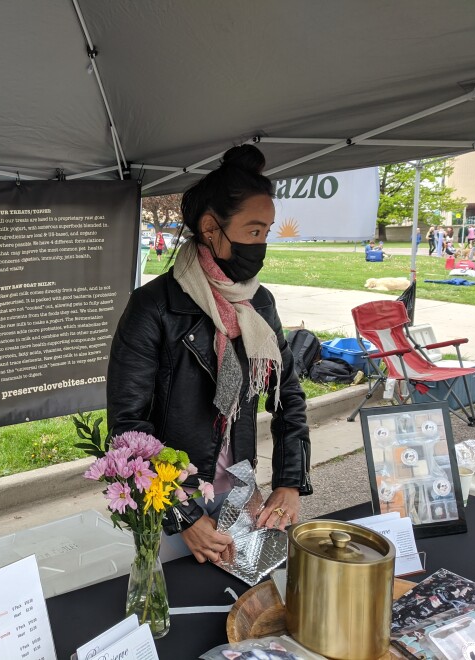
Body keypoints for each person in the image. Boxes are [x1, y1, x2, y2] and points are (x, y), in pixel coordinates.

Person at [106, 145, 312, 565]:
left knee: (248, 605)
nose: (262, 246)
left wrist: (290, 482)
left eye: (267, 232)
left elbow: (287, 395)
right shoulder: (154, 307)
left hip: (241, 491)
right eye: (253, 232)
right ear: (210, 228)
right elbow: (128, 427)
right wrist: (182, 516)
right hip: (174, 505)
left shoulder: (259, 305)